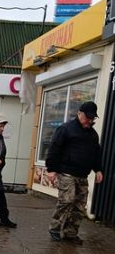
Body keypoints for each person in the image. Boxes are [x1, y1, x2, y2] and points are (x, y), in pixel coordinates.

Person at [45, 101, 103, 245]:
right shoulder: (65, 129)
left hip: (82, 174)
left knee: (80, 206)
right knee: (67, 200)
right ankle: (55, 228)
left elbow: (96, 154)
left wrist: (99, 169)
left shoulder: (93, 135)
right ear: (79, 114)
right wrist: (51, 169)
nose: (89, 121)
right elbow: (54, 150)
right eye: (87, 117)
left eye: (92, 118)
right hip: (66, 172)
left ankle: (71, 233)